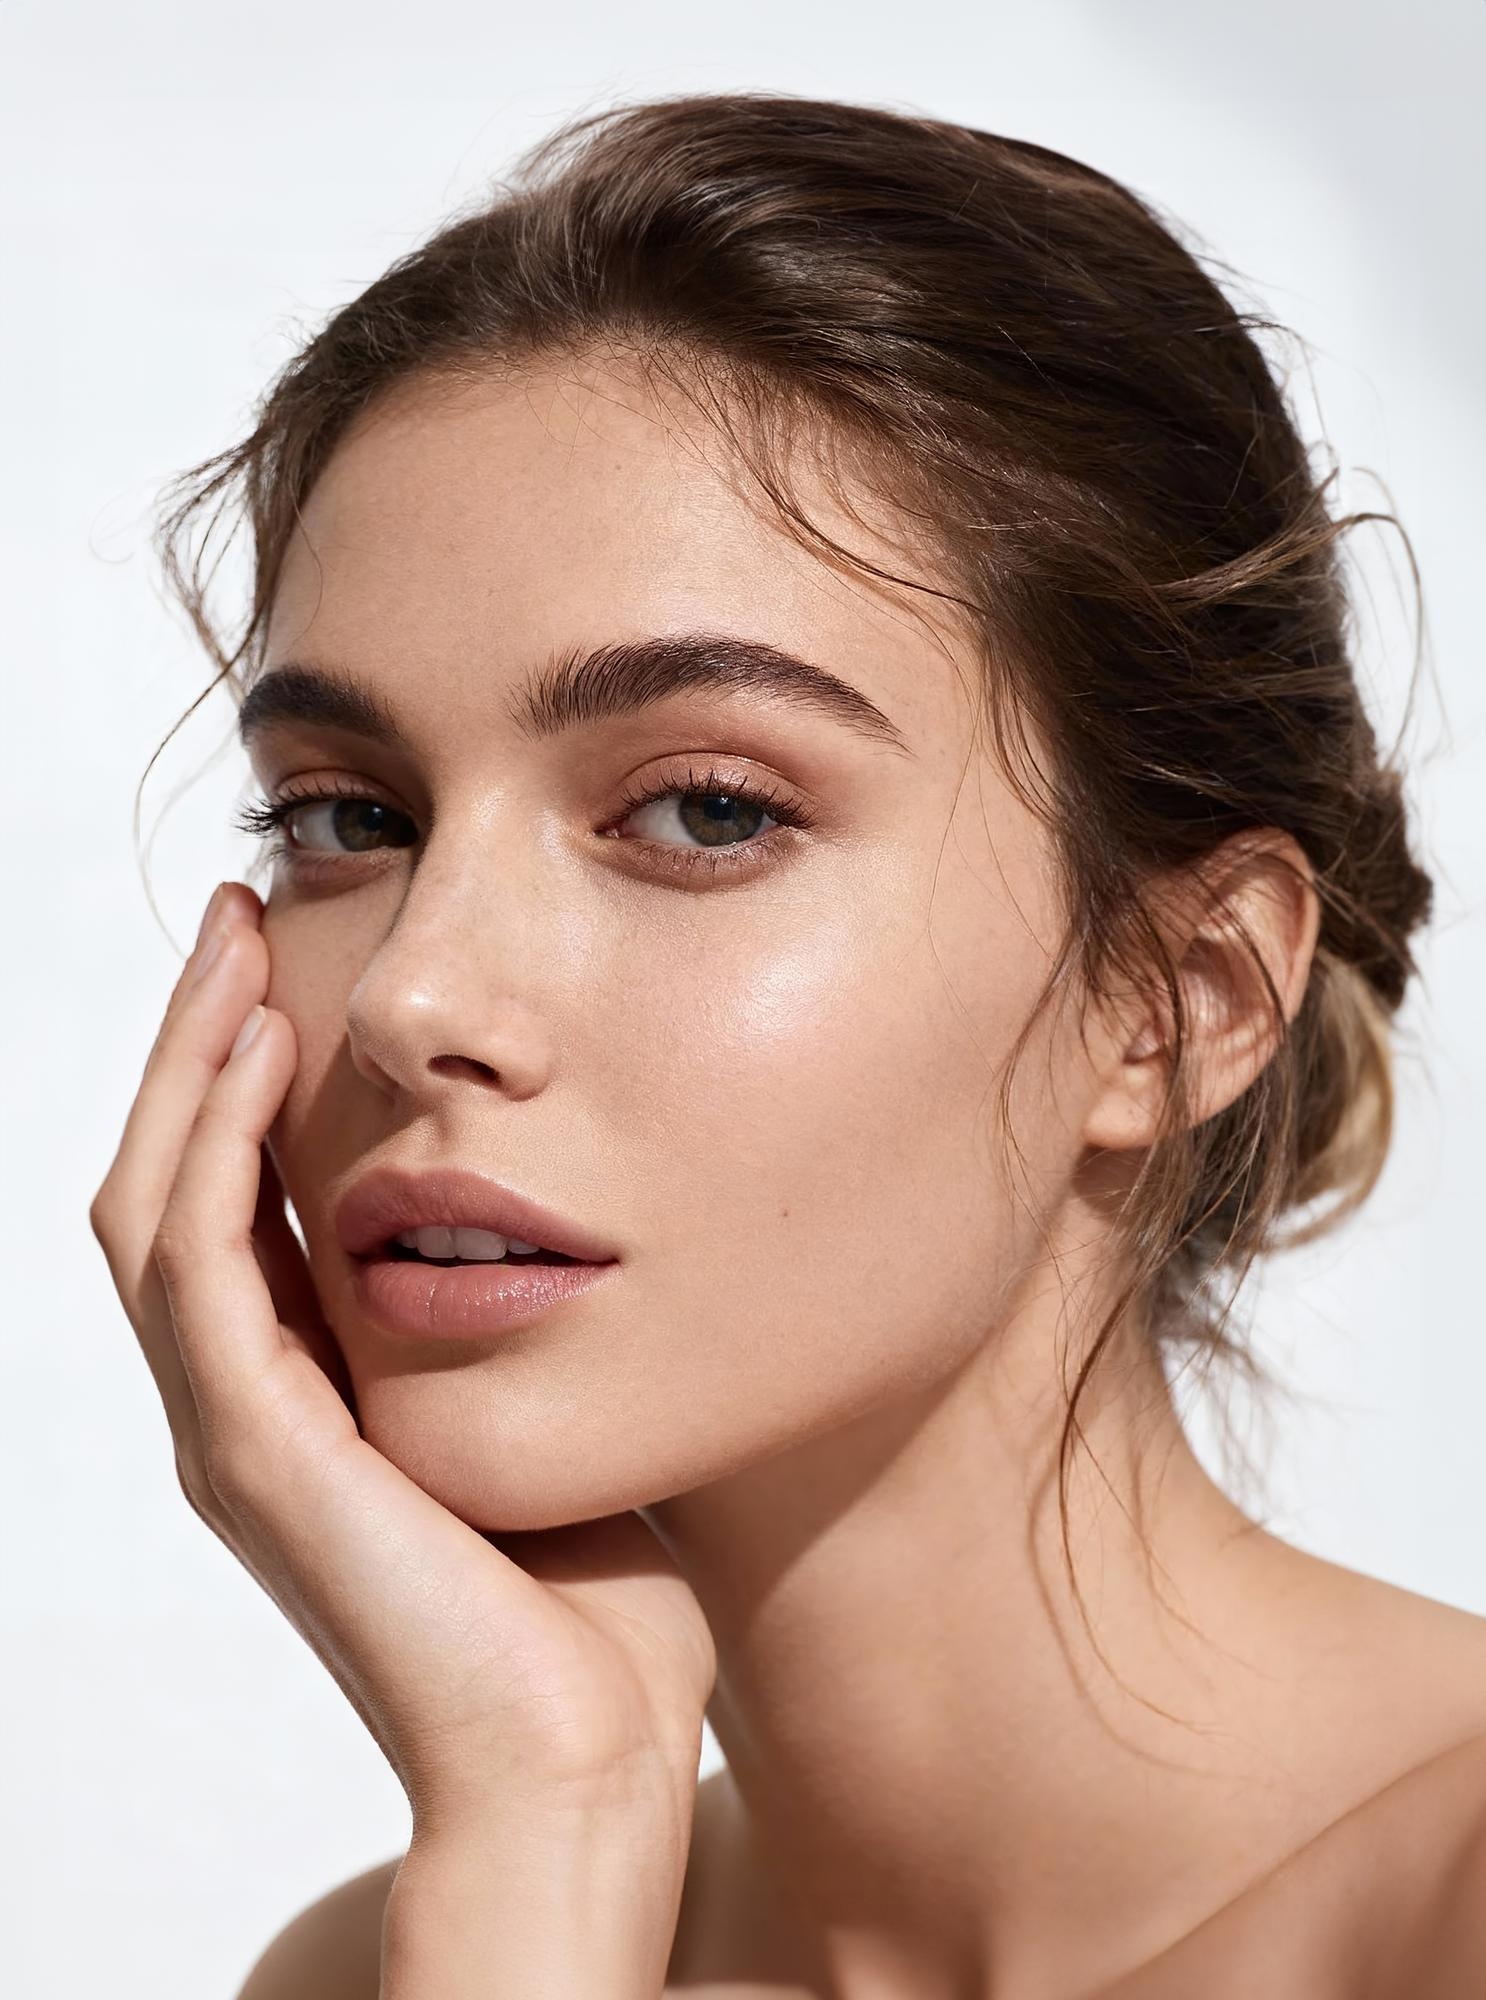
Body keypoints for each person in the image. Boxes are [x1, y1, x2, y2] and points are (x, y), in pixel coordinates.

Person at [89, 90, 1485, 1999]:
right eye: (349, 816)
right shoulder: (423, 1949)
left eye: (707, 812)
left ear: (1179, 1000)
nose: (413, 999)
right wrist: (548, 1822)